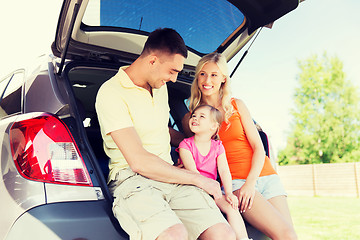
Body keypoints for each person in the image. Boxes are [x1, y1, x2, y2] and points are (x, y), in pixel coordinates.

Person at [95, 28, 235, 240]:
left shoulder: (160, 87)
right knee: (174, 234)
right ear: (152, 61)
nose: (174, 78)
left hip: (170, 174)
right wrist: (198, 179)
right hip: (133, 180)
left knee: (222, 232)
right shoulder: (111, 92)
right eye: (172, 71)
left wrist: (191, 145)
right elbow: (139, 161)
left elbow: (162, 129)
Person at [182, 52, 298, 240]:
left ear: (223, 79)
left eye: (214, 75)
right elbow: (192, 148)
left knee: (290, 235)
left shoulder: (237, 105)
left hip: (266, 177)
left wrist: (251, 183)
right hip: (236, 182)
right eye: (202, 74)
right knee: (286, 235)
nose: (207, 80)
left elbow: (258, 147)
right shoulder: (193, 118)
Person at [178, 104, 251, 240]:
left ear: (213, 126)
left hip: (213, 191)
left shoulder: (218, 146)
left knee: (231, 207)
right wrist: (211, 192)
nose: (195, 118)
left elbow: (224, 171)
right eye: (194, 116)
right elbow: (193, 174)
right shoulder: (186, 145)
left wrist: (229, 193)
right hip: (195, 190)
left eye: (202, 116)